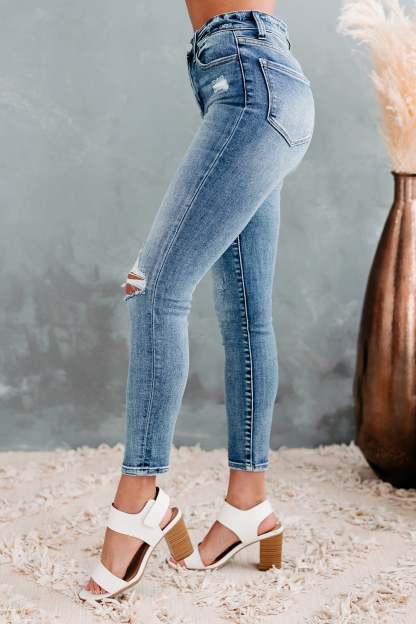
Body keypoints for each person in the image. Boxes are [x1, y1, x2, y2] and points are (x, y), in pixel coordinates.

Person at [79, 0, 314, 600]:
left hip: (247, 77)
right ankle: (248, 504)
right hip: (260, 77)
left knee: (153, 290)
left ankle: (139, 500)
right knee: (246, 314)